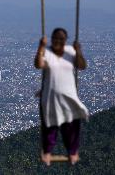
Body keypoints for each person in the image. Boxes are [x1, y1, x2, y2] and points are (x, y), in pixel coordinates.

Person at [34, 28, 89, 166]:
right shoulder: (47, 52)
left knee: (71, 126)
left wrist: (78, 51)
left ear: (65, 41)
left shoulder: (71, 51)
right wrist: (41, 47)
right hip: (50, 97)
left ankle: (72, 151)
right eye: (55, 38)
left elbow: (82, 66)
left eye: (61, 39)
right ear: (51, 39)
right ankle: (47, 151)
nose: (58, 41)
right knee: (49, 127)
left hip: (69, 96)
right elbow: (38, 64)